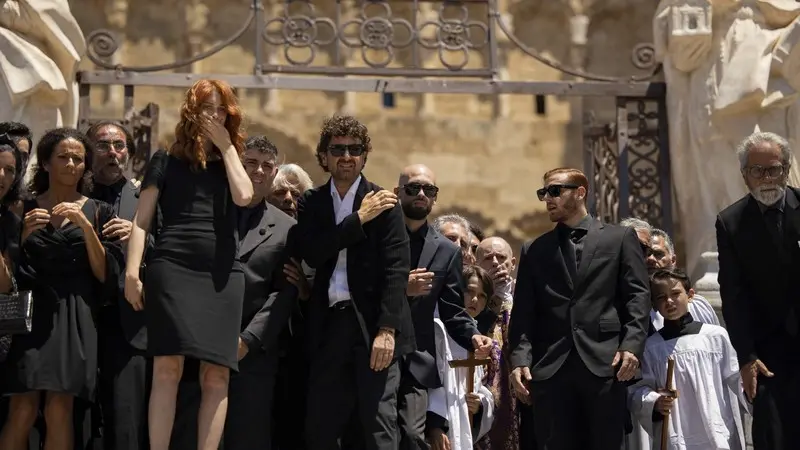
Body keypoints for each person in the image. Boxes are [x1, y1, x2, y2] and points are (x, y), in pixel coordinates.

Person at [123, 79, 254, 450]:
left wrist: (226, 147)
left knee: (217, 375)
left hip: (222, 275)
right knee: (168, 367)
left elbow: (245, 196)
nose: (214, 115)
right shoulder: (165, 160)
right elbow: (141, 221)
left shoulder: (232, 162)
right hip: (173, 269)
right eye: (207, 108)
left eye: (221, 109)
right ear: (192, 112)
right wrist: (132, 272)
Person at [508, 167, 651, 450]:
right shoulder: (534, 249)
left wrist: (632, 346)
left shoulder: (620, 238)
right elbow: (524, 313)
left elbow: (637, 296)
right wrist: (520, 361)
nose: (548, 199)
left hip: (605, 365)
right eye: (543, 193)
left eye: (555, 191)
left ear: (580, 192)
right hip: (551, 370)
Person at [294, 115, 414, 449]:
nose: (346, 156)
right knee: (321, 428)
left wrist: (387, 330)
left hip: (373, 326)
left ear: (364, 156)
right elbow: (313, 253)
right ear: (324, 156)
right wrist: (359, 218)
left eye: (354, 149)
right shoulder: (312, 202)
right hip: (329, 326)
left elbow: (396, 269)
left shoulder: (385, 203)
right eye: (338, 149)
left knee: (379, 427)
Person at [0, 128, 124, 450]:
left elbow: (105, 274)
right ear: (45, 163)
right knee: (22, 409)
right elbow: (9, 273)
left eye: (78, 159)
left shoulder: (100, 210)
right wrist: (22, 238)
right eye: (63, 157)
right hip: (30, 315)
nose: (71, 164)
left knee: (60, 409)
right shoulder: (22, 208)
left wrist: (86, 227)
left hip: (76, 315)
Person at [393, 164, 491, 450]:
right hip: (375, 352)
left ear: (435, 197)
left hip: (416, 362)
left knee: (413, 435)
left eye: (429, 189)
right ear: (398, 192)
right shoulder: (379, 235)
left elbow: (452, 309)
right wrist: (402, 289)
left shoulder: (446, 251)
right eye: (413, 188)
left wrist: (474, 336)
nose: (421, 194)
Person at [716, 131, 800, 449]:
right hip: (767, 356)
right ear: (745, 175)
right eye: (757, 170)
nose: (766, 178)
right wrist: (746, 357)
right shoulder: (730, 222)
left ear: (786, 169)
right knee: (773, 436)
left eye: (773, 169)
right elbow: (733, 295)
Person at [85, 120, 151, 450]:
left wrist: (141, 238)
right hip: (80, 324)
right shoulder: (71, 194)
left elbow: (174, 250)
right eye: (103, 145)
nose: (113, 152)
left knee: (126, 425)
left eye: (119, 145)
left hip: (130, 329)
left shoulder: (146, 199)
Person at [631, 269, 746, 450]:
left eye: (675, 294)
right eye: (661, 297)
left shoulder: (715, 336)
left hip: (716, 432)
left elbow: (738, 379)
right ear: (653, 305)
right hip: (676, 435)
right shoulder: (650, 348)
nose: (669, 301)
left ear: (690, 295)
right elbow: (638, 390)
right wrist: (655, 401)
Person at [428, 265, 496, 450]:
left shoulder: (479, 338)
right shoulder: (438, 330)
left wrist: (480, 404)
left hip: (464, 422)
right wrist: (435, 425)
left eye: (482, 296)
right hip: (440, 424)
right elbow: (431, 380)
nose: (474, 300)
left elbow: (479, 386)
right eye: (469, 292)